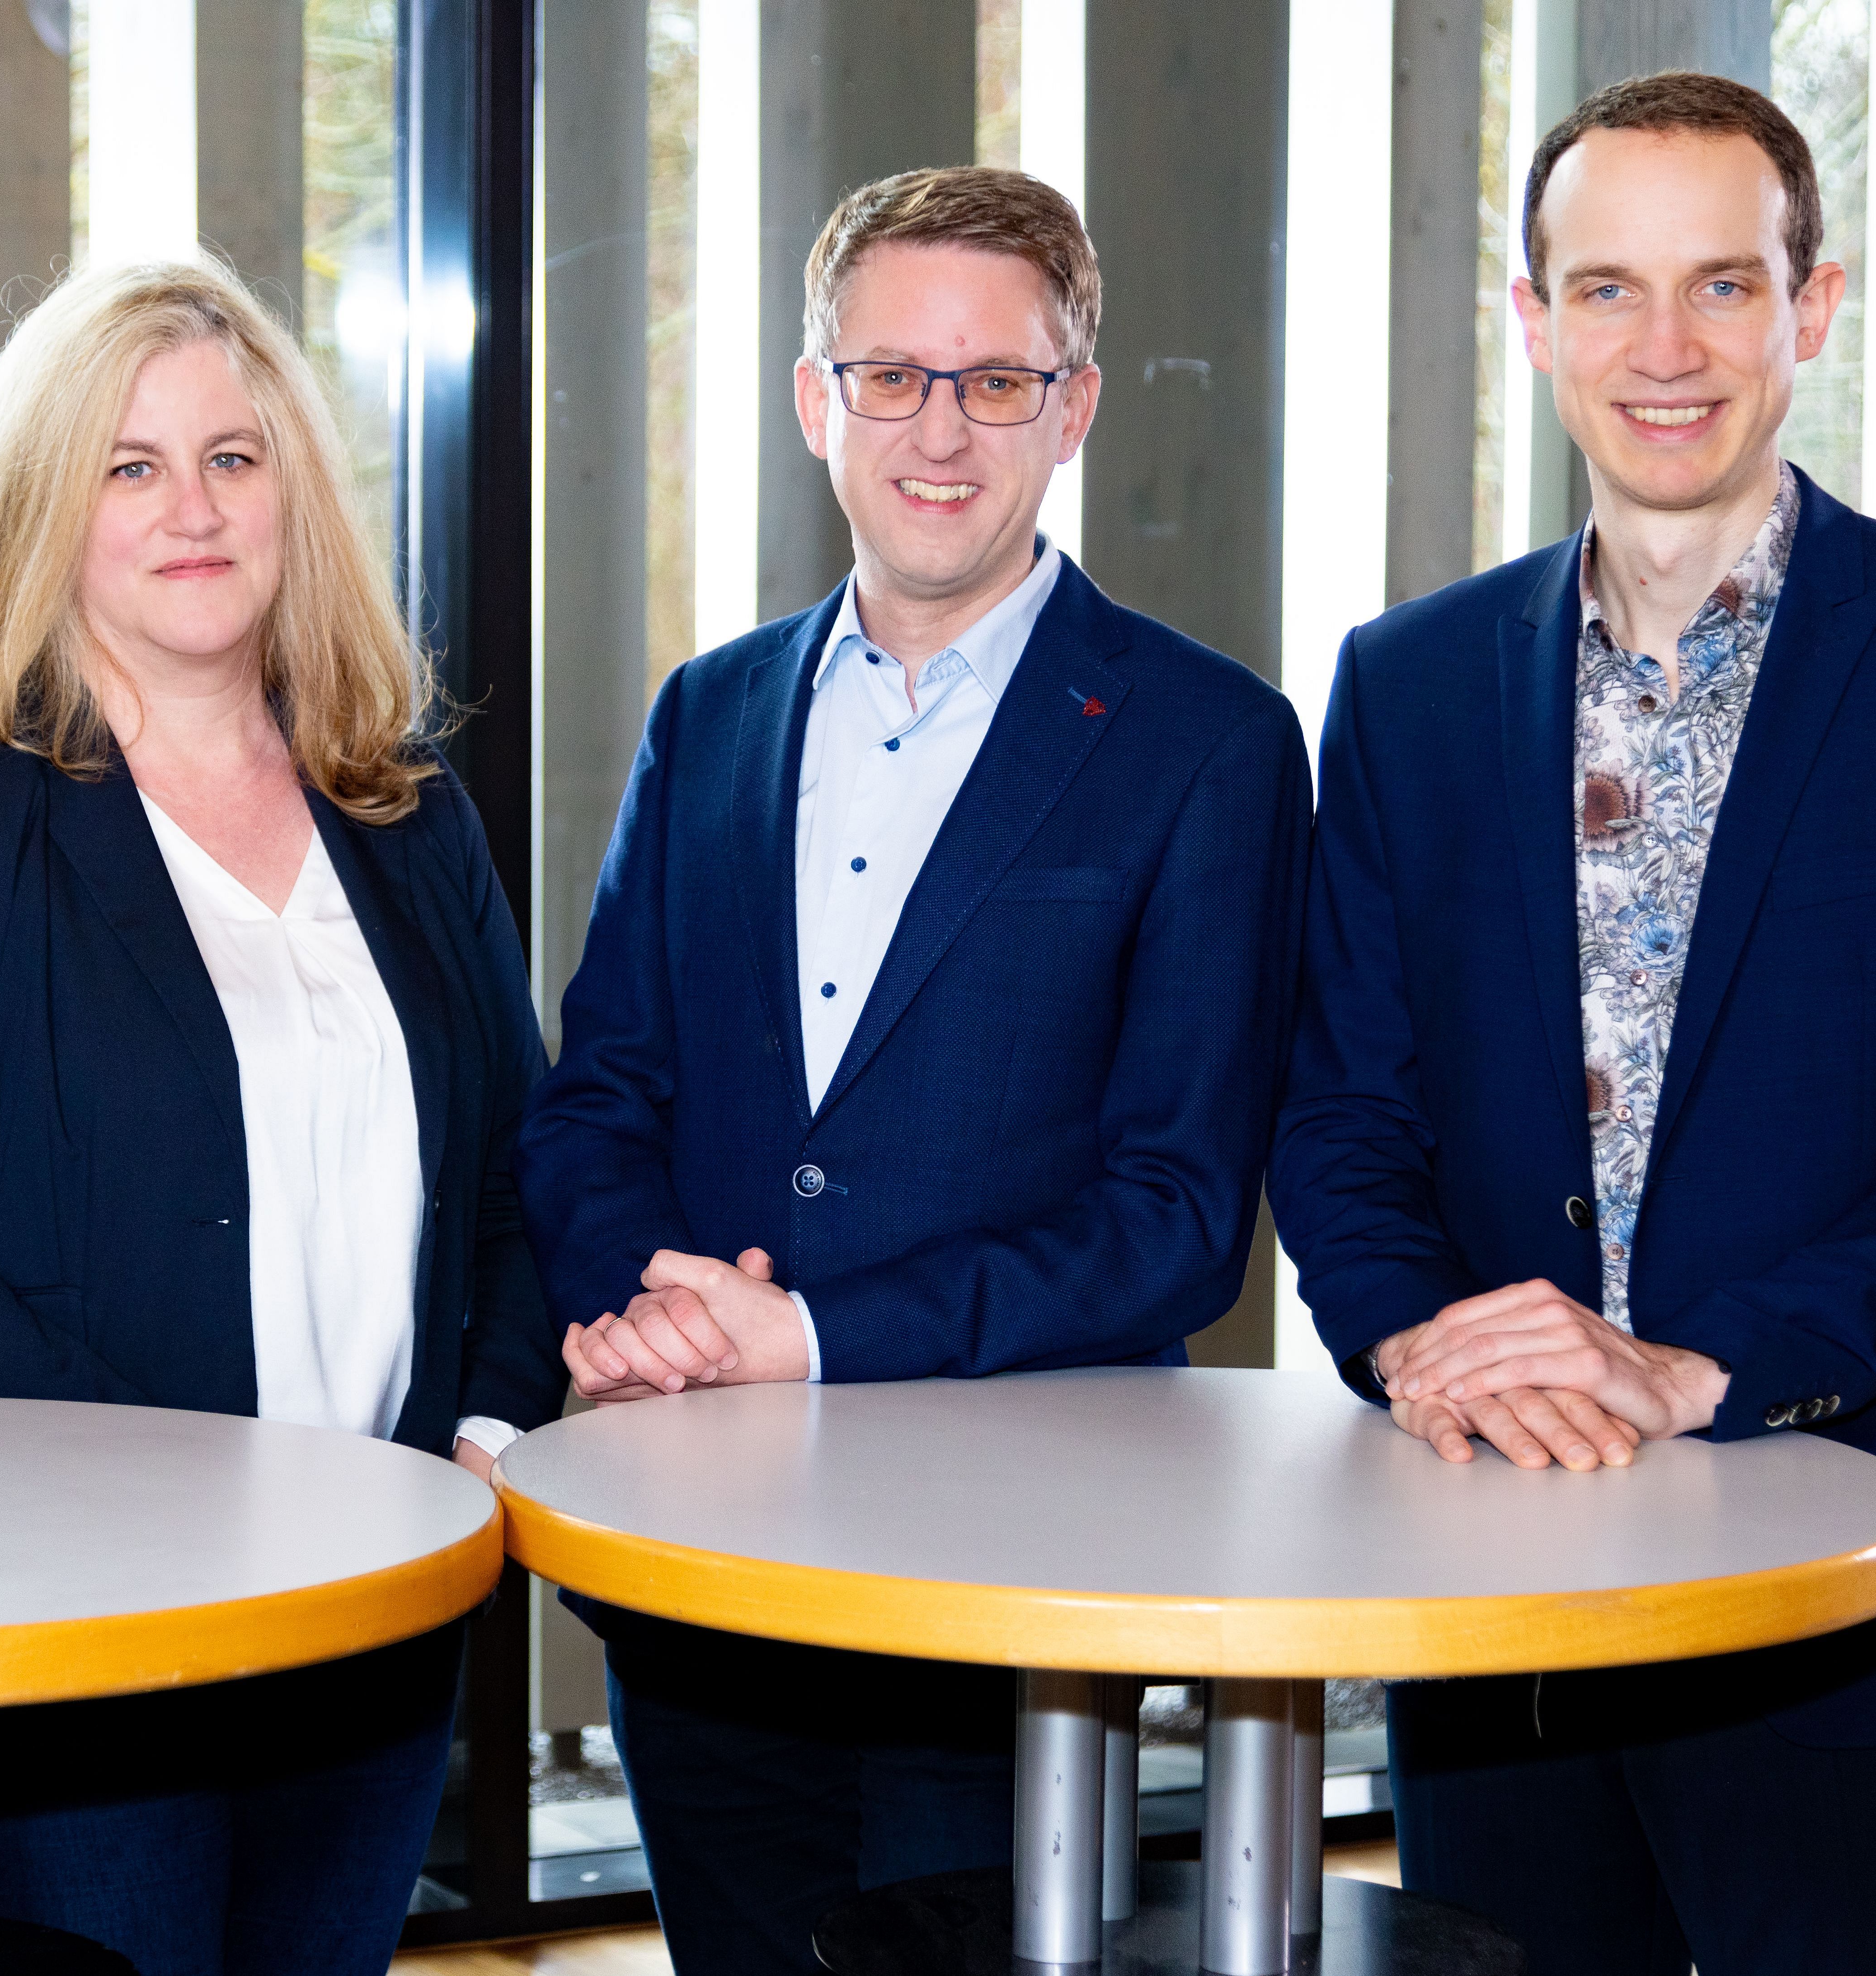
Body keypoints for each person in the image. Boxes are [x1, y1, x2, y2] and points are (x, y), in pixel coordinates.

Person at [1270, 72, 1876, 1976]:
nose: (1663, 350)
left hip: (1853, 1584)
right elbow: (1342, 1112)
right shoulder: (1408, 684)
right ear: (1534, 322)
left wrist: (1700, 1367)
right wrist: (1419, 1344)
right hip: (1490, 1575)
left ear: (1810, 307)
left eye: (1721, 286)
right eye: (1606, 289)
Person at [517, 166, 1312, 1973]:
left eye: (996, 380)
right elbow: (600, 1092)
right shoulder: (707, 713)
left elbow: (1179, 1218)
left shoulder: (1209, 743)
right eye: (891, 376)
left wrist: (806, 1335)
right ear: (817, 400)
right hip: (703, 1558)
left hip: (1010, 1580)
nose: (939, 432)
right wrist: (650, 1307)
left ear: (1073, 407)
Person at [0, 254, 560, 1976]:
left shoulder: (408, 811)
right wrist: (199, 1492)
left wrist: (489, 1431)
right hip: (70, 1626)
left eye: (232, 457)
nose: (191, 509)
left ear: (294, 493)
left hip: (378, 1609)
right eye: (129, 467)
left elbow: (522, 1181)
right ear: (45, 512)